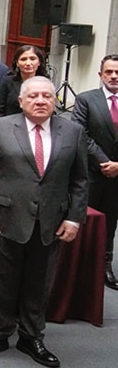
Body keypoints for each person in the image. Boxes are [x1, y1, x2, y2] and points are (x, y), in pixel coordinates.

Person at [0, 76, 88, 368]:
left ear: (55, 100)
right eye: (34, 96)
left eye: (47, 96)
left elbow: (80, 181)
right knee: (2, 281)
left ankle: (32, 336)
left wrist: (74, 219)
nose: (40, 101)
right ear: (21, 101)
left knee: (40, 283)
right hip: (6, 218)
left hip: (52, 221)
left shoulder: (73, 131)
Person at [71, 54, 118, 290]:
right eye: (109, 72)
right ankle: (77, 269)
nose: (114, 76)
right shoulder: (86, 99)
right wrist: (104, 161)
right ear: (100, 74)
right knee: (84, 219)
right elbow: (81, 134)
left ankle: (104, 266)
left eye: (117, 72)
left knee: (110, 222)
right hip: (91, 172)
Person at [0, 45, 48, 118]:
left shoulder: (46, 83)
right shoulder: (7, 81)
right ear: (17, 63)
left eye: (32, 59)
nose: (28, 63)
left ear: (39, 62)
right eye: (23, 59)